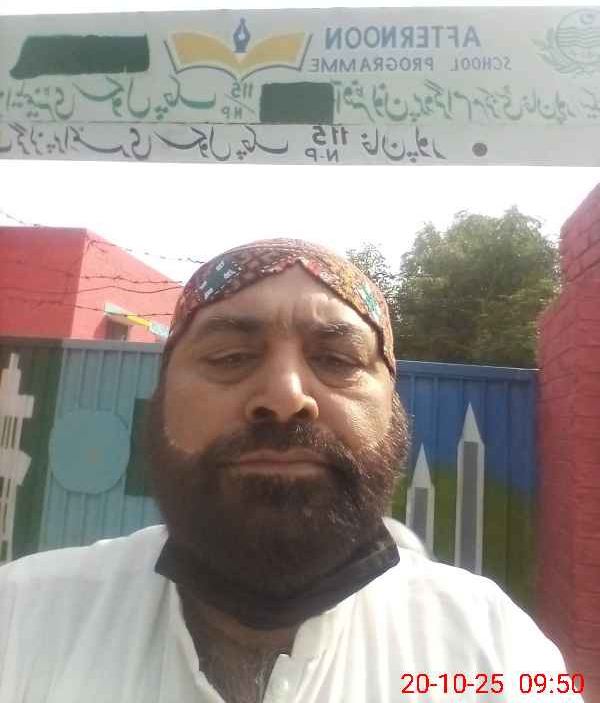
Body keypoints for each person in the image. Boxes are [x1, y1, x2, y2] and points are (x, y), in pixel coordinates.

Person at [0, 238, 583, 702]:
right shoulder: (22, 618)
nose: (284, 397)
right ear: (160, 401)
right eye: (230, 356)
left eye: (337, 359)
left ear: (394, 409)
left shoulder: (497, 652)